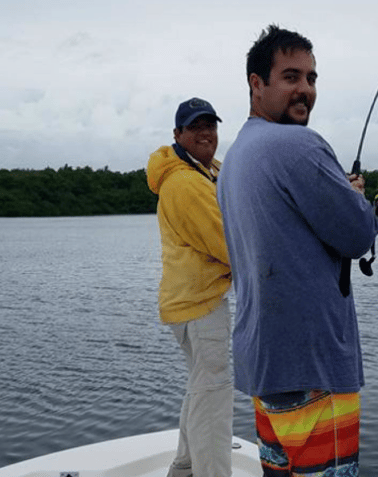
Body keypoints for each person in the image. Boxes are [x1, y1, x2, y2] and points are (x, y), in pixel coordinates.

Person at [217, 25, 378, 475]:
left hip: (266, 368)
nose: (304, 89)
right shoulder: (298, 144)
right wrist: (360, 202)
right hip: (314, 371)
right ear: (256, 84)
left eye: (311, 78)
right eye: (290, 77)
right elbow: (356, 235)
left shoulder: (235, 158)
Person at [146, 97, 233, 477]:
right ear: (178, 134)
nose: (205, 133)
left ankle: (183, 469)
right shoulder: (184, 182)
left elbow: (243, 196)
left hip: (191, 303)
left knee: (201, 387)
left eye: (210, 126)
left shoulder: (206, 169)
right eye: (196, 127)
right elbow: (229, 244)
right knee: (213, 394)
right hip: (200, 305)